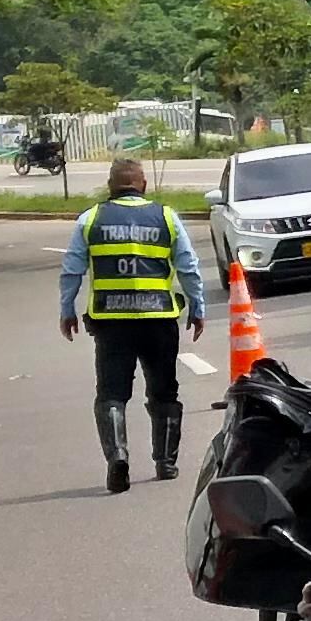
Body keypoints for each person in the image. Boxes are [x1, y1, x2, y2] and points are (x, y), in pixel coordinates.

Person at [57, 155, 207, 492]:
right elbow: (188, 267)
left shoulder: (90, 219)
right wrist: (198, 306)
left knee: (111, 393)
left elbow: (72, 270)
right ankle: (166, 463)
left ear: (110, 186)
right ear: (143, 185)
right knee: (164, 390)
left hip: (112, 323)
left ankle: (118, 457)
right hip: (159, 321)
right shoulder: (166, 217)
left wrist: (67, 309)